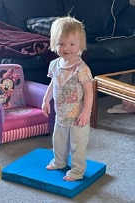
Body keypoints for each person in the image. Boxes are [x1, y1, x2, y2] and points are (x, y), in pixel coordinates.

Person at [42, 16, 93, 181]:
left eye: (72, 44)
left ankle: (77, 171)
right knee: (58, 142)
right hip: (61, 115)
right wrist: (45, 100)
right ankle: (59, 162)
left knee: (77, 147)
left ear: (80, 45)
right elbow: (52, 84)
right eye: (61, 44)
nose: (66, 48)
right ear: (54, 44)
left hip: (78, 118)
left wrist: (86, 113)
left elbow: (89, 92)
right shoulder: (55, 64)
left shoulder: (81, 69)